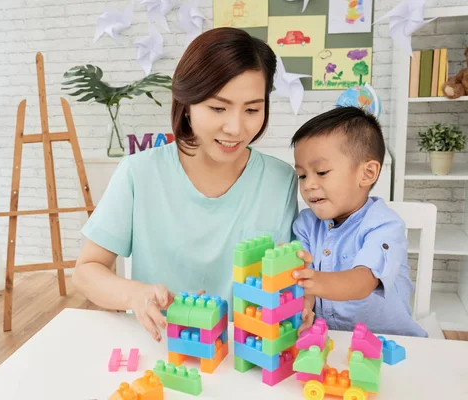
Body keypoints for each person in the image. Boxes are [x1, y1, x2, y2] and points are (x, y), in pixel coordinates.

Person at [73, 27, 299, 342]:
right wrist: (135, 295)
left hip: (247, 354)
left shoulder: (280, 180)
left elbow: (290, 279)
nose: (235, 127)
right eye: (218, 108)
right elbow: (86, 271)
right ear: (187, 103)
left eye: (252, 109)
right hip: (162, 343)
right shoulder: (139, 173)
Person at [291, 106, 428, 337]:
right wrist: (304, 302)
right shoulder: (305, 224)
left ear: (367, 173)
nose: (308, 185)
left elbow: (363, 281)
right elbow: (306, 283)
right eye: (302, 175)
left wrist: (311, 281)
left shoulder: (384, 225)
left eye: (322, 172)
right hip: (331, 342)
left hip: (391, 342)